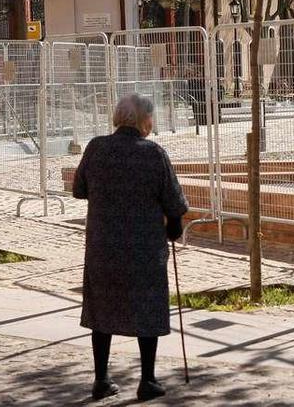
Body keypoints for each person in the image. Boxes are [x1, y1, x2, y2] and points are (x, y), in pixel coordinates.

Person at [73, 93, 189, 401]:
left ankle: (100, 379)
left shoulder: (97, 148)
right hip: (144, 249)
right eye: (151, 118)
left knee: (102, 310)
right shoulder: (153, 154)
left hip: (103, 246)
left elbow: (78, 188)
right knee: (147, 308)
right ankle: (147, 380)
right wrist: (173, 229)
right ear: (143, 121)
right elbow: (175, 203)